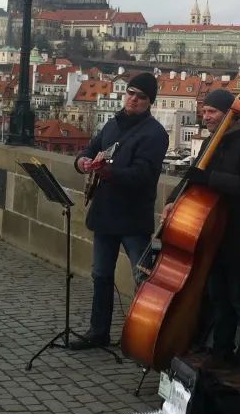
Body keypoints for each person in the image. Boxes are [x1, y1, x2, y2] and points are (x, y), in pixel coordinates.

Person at [162, 88, 240, 387]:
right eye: (204, 112)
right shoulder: (214, 138)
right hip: (212, 230)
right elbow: (193, 175)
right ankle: (220, 352)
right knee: (219, 296)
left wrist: (210, 179)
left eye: (212, 113)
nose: (206, 117)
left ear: (230, 114)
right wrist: (173, 199)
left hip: (237, 231)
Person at [71, 72, 169, 349]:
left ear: (149, 102)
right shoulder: (112, 125)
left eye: (141, 96)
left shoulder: (155, 133)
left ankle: (145, 336)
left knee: (143, 278)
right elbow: (86, 151)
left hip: (132, 216)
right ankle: (98, 331)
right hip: (105, 213)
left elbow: (143, 175)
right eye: (130, 92)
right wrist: (84, 164)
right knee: (100, 274)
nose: (133, 99)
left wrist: (108, 171)